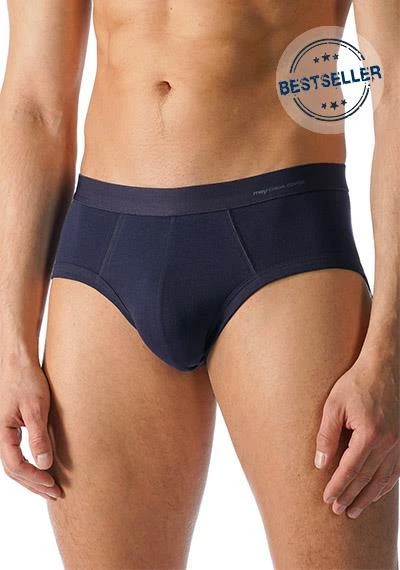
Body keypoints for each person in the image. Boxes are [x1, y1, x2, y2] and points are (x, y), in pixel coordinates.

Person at [0, 0, 398, 568]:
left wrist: (389, 352)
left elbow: (395, 91)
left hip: (284, 243)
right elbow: (34, 103)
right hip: (103, 257)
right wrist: (10, 342)